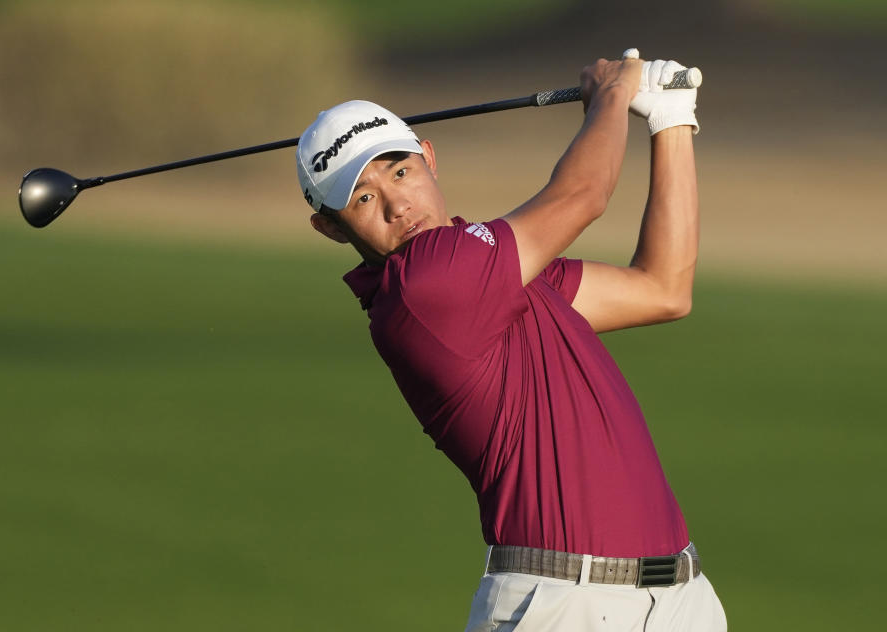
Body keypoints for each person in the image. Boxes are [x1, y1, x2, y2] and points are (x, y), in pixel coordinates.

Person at [296, 50, 727, 631]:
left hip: (677, 597)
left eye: (399, 171)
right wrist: (611, 94)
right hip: (563, 603)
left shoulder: (495, 272)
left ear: (429, 158)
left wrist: (671, 123)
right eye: (363, 197)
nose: (398, 204)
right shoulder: (424, 285)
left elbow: (663, 289)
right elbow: (583, 197)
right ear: (330, 227)